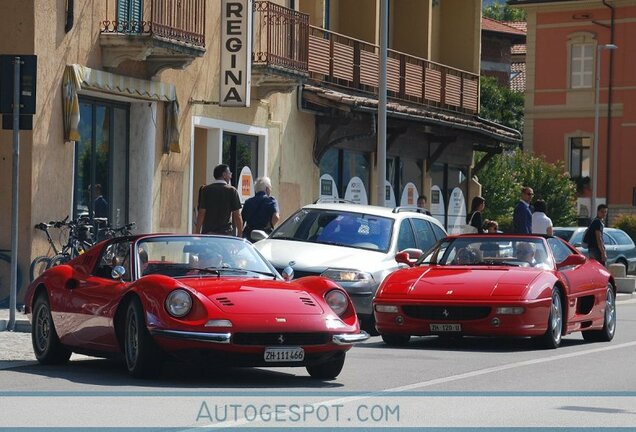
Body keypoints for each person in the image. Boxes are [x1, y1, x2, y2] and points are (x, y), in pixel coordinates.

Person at [196, 164, 243, 237]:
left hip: (208, 234)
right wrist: (240, 234)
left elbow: (201, 212)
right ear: (224, 175)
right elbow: (237, 215)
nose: (231, 175)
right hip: (225, 235)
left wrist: (197, 233)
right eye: (229, 173)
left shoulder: (205, 190)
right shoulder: (232, 191)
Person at [241, 176, 280, 241]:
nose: (271, 190)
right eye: (270, 188)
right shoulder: (271, 200)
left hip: (249, 235)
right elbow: (276, 217)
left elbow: (241, 220)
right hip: (264, 235)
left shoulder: (248, 202)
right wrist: (270, 225)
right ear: (267, 189)